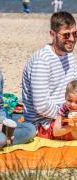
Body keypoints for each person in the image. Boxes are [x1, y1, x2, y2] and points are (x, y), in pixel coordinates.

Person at [22, 11, 77, 140]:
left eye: (75, 34)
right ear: (52, 34)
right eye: (66, 35)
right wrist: (67, 115)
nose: (72, 39)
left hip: (66, 112)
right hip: (43, 123)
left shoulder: (69, 56)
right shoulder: (42, 61)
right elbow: (42, 106)